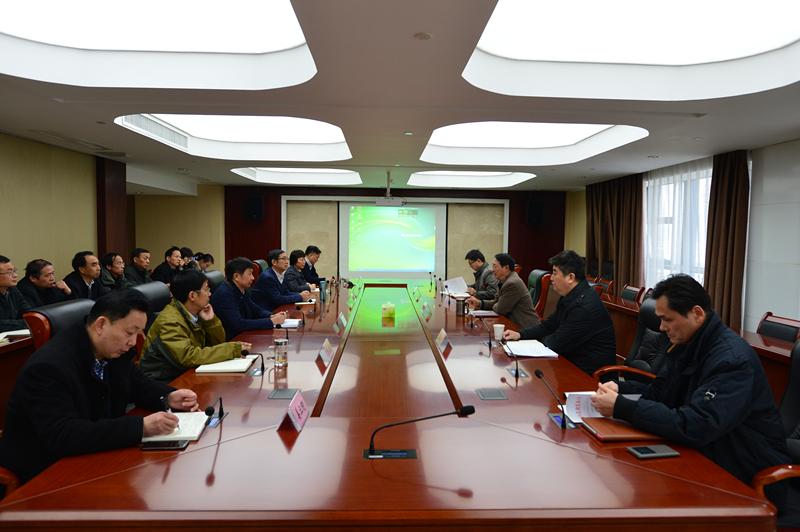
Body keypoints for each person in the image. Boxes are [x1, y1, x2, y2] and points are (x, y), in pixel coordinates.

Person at [591, 274, 789, 497]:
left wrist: (622, 407)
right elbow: (661, 393)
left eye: (667, 319)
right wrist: (621, 390)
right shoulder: (687, 343)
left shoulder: (732, 361)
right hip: (704, 454)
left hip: (743, 473)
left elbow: (696, 425)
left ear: (697, 313)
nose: (661, 327)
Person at [0, 289, 199, 484]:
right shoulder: (48, 367)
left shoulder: (110, 349)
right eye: (130, 333)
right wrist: (141, 427)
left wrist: (168, 397)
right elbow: (63, 434)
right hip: (47, 471)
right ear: (101, 324)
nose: (133, 342)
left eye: (139, 333)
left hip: (96, 454)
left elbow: (136, 383)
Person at [504, 250, 615, 375]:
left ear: (570, 277)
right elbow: (548, 326)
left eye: (555, 273)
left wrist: (532, 343)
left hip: (591, 377)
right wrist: (520, 335)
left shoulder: (584, 307)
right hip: (570, 364)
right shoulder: (570, 296)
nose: (551, 278)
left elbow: (555, 343)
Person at [140, 269, 252, 382]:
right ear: (192, 296)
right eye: (206, 289)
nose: (210, 293)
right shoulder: (170, 321)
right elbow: (188, 357)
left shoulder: (195, 311)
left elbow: (218, 343)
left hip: (187, 372)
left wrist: (210, 322)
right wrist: (232, 349)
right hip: (165, 380)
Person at [210, 257, 287, 340]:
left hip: (243, 334)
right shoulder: (225, 294)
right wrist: (271, 321)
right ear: (236, 276)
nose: (253, 278)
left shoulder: (241, 288)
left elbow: (254, 309)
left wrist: (271, 315)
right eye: (249, 274)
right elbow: (238, 324)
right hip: (233, 339)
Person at [467, 253, 538, 329]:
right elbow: (497, 302)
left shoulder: (512, 283)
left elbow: (499, 309)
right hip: (512, 324)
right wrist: (479, 303)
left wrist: (496, 303)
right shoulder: (504, 280)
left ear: (506, 268)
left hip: (525, 328)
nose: (492, 270)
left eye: (495, 266)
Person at [0, 255, 32, 332]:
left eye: (14, 271)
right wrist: (28, 323)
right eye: (9, 272)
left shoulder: (13, 289)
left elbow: (28, 312)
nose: (15, 275)